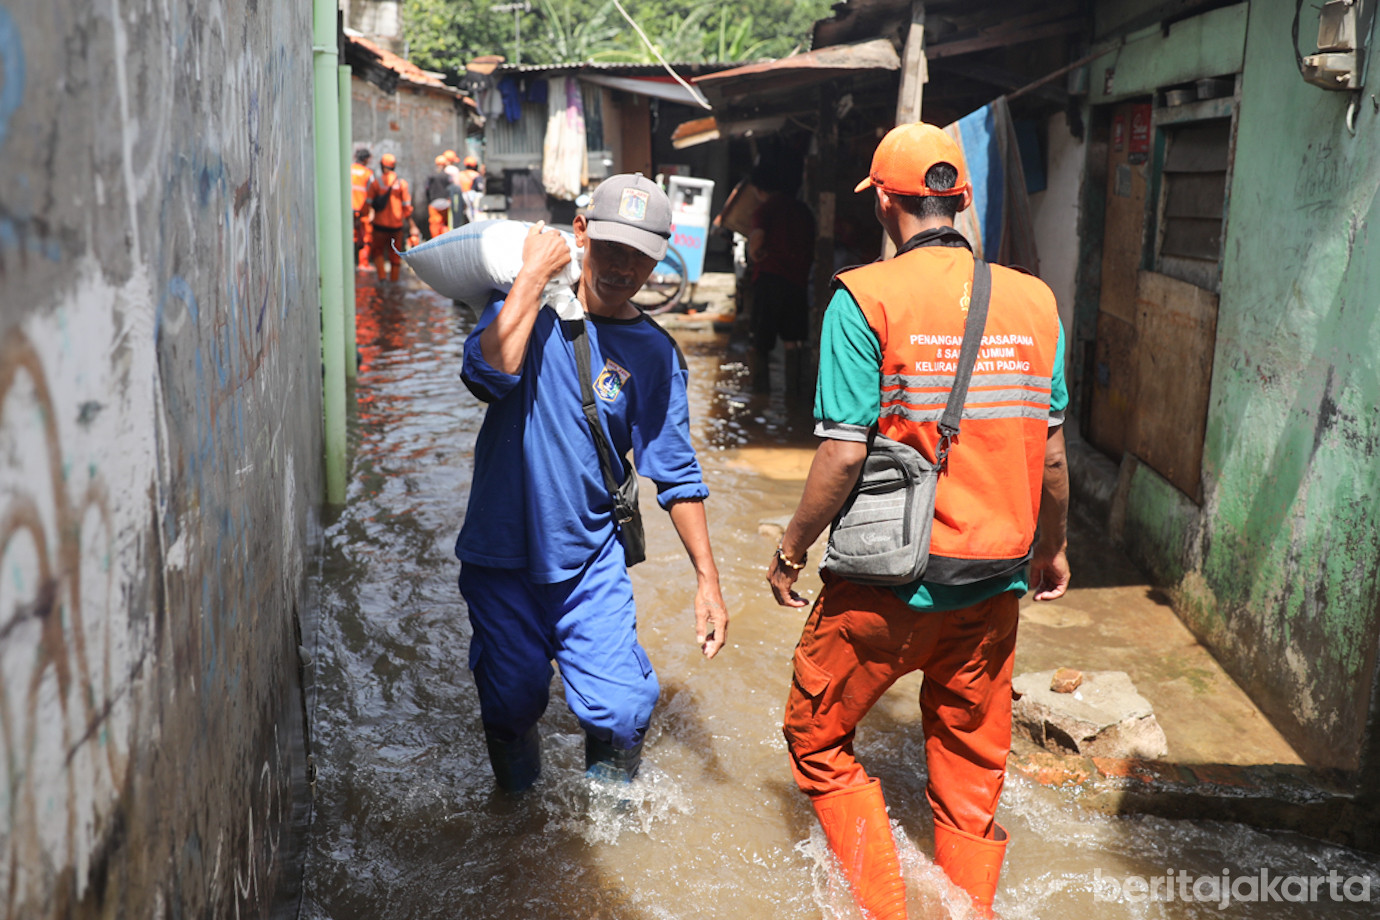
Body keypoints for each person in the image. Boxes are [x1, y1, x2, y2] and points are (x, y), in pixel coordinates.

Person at [766, 123, 1071, 920]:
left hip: (886, 590)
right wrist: (1054, 549)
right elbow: (1052, 457)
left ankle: (883, 909)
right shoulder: (1037, 301)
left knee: (816, 738)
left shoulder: (863, 297)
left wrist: (791, 549)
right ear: (961, 200)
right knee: (971, 778)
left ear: (884, 203)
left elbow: (841, 455)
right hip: (992, 588)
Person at [456, 174, 729, 792]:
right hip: (500, 552)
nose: (622, 268)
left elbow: (676, 472)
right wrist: (532, 274)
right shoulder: (523, 307)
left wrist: (708, 581)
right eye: (611, 248)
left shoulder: (655, 354)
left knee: (623, 707)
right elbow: (486, 375)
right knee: (511, 698)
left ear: (658, 260)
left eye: (640, 256)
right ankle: (517, 816)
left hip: (588, 559)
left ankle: (610, 825)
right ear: (580, 233)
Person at [745, 167, 815, 397]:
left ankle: (759, 399)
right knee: (793, 341)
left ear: (759, 189)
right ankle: (794, 396)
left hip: (770, 279)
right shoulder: (803, 210)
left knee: (761, 341)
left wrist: (755, 253)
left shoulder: (765, 209)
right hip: (798, 282)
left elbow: (757, 242)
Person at [366, 153, 413, 282]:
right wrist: (411, 223)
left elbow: (368, 202)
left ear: (382, 166)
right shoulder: (402, 183)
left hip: (379, 226)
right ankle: (394, 280)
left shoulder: (377, 182)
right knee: (395, 253)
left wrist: (366, 216)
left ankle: (382, 277)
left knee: (378, 251)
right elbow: (407, 206)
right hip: (396, 226)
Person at [351, 148, 375, 269]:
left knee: (350, 237)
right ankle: (363, 264)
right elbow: (373, 192)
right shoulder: (368, 173)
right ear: (366, 159)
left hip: (348, 209)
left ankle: (348, 263)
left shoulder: (348, 169)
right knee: (365, 238)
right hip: (362, 209)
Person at [424, 154, 453, 240]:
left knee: (435, 224)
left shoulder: (431, 175)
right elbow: (451, 188)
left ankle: (435, 242)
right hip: (445, 203)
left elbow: (427, 188)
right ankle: (446, 241)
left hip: (434, 203)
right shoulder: (447, 176)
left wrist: (429, 201)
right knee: (445, 224)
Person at [458, 154, 486, 224]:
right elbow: (479, 188)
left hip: (462, 195)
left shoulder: (460, 174)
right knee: (473, 212)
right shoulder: (476, 175)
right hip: (471, 196)